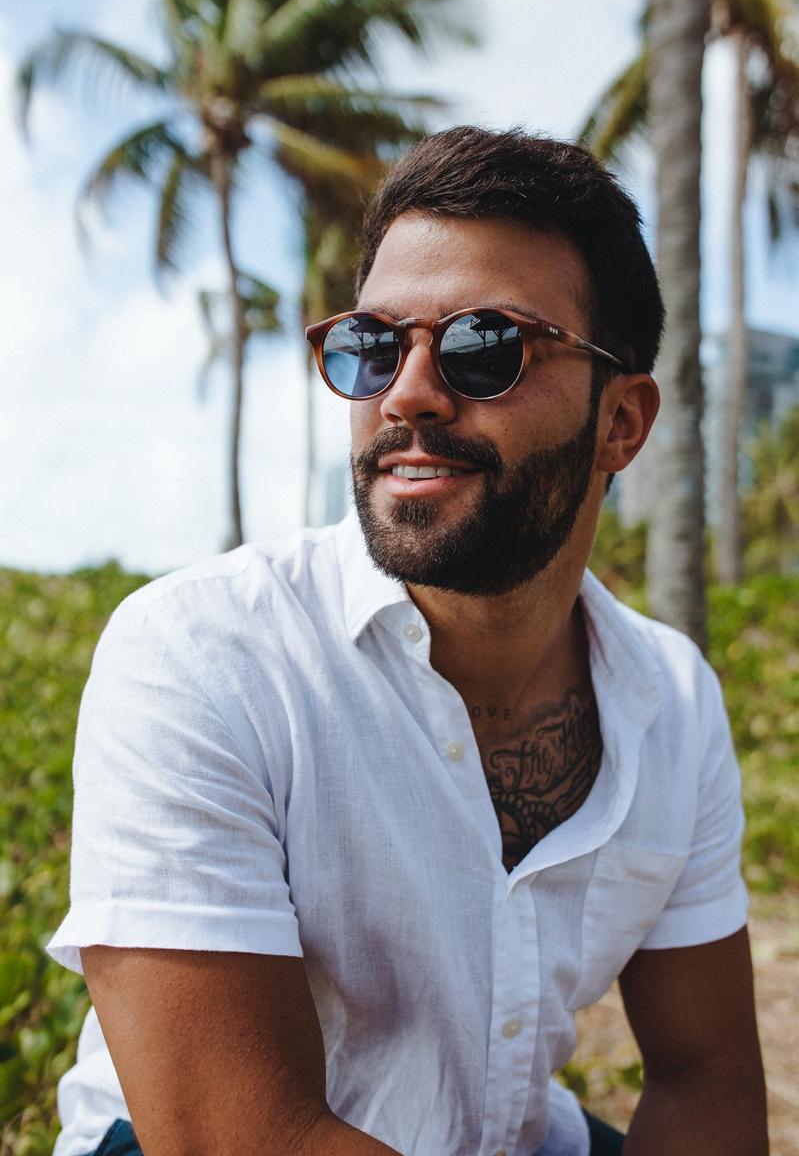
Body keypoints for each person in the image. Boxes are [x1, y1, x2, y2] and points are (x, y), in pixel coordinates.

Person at [46, 126, 768, 1156]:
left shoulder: (671, 700)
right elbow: (242, 1139)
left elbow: (704, 1075)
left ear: (620, 422)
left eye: (484, 345)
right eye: (372, 345)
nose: (407, 393)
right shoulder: (205, 654)